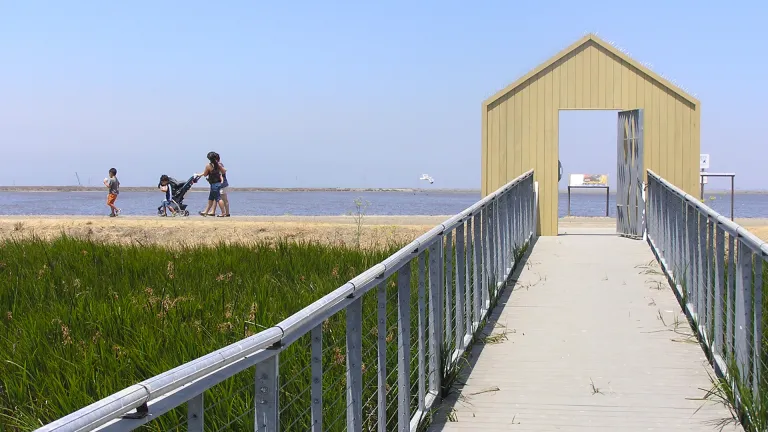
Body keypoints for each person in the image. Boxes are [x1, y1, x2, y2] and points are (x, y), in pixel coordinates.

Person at [196, 152, 227, 217]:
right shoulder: (218, 165)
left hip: (214, 184)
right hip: (217, 183)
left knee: (218, 198)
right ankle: (206, 211)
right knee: (211, 198)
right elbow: (224, 171)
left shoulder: (209, 165)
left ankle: (223, 212)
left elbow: (205, 174)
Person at [214, 153, 230, 217]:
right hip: (223, 184)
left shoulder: (219, 165)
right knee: (223, 199)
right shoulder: (219, 164)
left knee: (222, 199)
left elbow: (221, 174)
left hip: (222, 185)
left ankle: (224, 213)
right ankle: (227, 213)